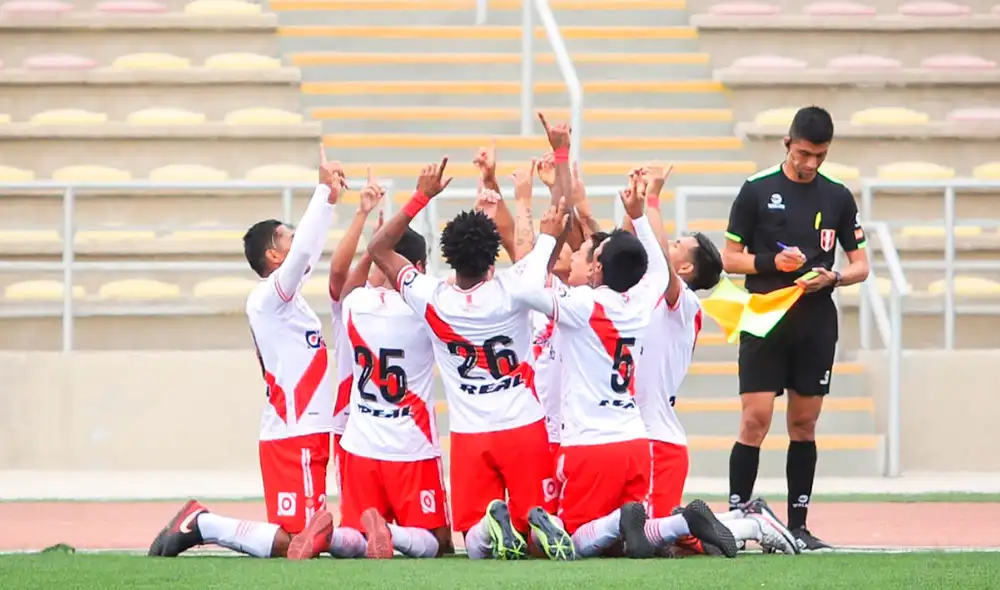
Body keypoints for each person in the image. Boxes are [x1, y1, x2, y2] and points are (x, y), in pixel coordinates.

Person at [367, 129, 575, 561]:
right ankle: (532, 526)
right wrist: (560, 154)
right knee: (534, 540)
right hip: (522, 424)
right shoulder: (516, 288)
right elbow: (562, 215)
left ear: (448, 254)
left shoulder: (431, 296)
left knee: (472, 542)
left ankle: (489, 525)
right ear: (492, 255)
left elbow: (377, 248)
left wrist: (420, 197)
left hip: (469, 433)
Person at [510, 175, 739, 560]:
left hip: (590, 442)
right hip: (634, 442)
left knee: (571, 539)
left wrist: (548, 237)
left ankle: (628, 522)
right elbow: (660, 273)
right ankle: (681, 524)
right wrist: (640, 216)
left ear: (598, 267)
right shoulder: (641, 303)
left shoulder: (584, 305)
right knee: (638, 533)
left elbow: (522, 288)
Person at [149, 149, 348, 559]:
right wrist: (324, 196)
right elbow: (307, 254)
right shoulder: (267, 299)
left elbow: (305, 255)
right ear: (274, 256)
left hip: (296, 431)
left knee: (300, 541)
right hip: (296, 433)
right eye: (287, 238)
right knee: (301, 544)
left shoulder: (292, 305)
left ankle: (203, 522)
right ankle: (204, 524)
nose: (296, 244)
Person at [624, 165, 798, 557]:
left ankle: (752, 522)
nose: (665, 246)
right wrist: (638, 200)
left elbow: (656, 258)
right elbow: (633, 247)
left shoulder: (681, 301)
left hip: (658, 439)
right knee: (643, 534)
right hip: (636, 434)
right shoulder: (645, 293)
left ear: (684, 268)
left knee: (667, 539)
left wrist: (650, 202)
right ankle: (745, 520)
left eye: (676, 245)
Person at [722, 106, 870, 551]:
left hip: (815, 321)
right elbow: (730, 259)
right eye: (804, 153)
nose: (810, 164)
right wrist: (771, 262)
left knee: (804, 424)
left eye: (819, 156)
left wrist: (835, 278)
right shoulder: (755, 190)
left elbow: (860, 264)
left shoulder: (839, 196)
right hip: (765, 316)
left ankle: (798, 525)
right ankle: (735, 521)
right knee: (755, 419)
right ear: (787, 144)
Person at [327, 168, 385, 498]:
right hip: (351, 420)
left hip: (398, 426)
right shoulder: (353, 306)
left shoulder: (417, 305)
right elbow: (337, 272)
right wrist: (363, 217)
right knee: (357, 516)